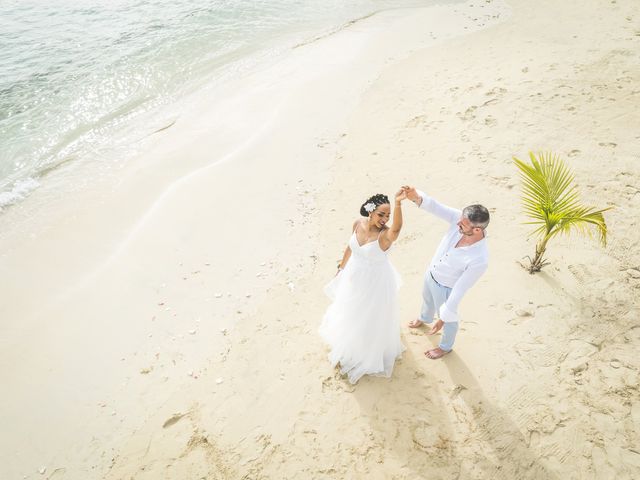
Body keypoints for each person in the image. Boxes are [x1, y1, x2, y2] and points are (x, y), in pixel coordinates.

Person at [319, 190, 407, 384]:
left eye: (388, 215)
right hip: (354, 276)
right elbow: (351, 247)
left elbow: (397, 229)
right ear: (370, 212)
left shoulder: (385, 236)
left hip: (375, 282)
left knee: (370, 316)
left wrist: (398, 204)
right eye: (381, 214)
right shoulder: (358, 224)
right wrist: (341, 268)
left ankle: (367, 350)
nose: (384, 219)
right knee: (351, 311)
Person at [403, 185, 489, 360]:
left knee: (450, 321)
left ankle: (445, 347)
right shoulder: (460, 219)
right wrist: (415, 197)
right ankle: (424, 318)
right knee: (426, 300)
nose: (458, 223)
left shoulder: (480, 259)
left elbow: (460, 289)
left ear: (477, 230)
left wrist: (443, 316)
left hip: (446, 288)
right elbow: (435, 206)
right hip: (431, 273)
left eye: (463, 224)